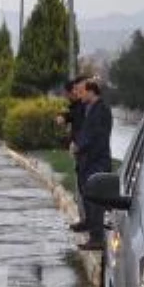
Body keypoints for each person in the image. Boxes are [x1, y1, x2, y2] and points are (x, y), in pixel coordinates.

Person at [74, 80, 113, 251]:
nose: (79, 95)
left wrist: (80, 147)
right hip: (88, 160)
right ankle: (91, 231)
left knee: (95, 201)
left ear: (91, 92)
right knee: (88, 197)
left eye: (82, 92)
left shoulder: (101, 110)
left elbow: (97, 136)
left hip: (96, 161)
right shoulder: (89, 109)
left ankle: (97, 237)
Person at [58, 74, 91, 231]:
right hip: (80, 152)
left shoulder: (88, 108)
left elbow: (87, 131)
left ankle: (89, 223)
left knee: (86, 189)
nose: (78, 93)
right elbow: (72, 117)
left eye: (80, 90)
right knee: (81, 188)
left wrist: (77, 144)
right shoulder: (78, 106)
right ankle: (85, 220)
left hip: (89, 155)